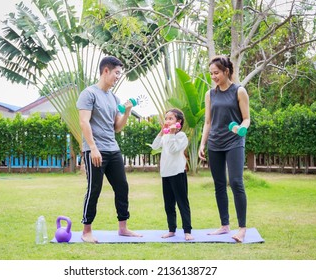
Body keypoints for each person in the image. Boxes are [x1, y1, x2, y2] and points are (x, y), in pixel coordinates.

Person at [76, 56, 142, 243]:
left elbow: (117, 127)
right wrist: (93, 148)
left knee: (122, 187)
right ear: (106, 71)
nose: (118, 77)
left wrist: (127, 112)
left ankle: (123, 228)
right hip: (94, 151)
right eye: (116, 73)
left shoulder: (114, 98)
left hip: (113, 149)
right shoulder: (88, 94)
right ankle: (86, 231)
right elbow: (84, 122)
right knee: (94, 189)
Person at [198, 55, 250, 243]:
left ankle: (242, 228)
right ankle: (224, 225)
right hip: (215, 143)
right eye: (211, 73)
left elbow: (246, 117)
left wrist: (242, 128)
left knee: (236, 182)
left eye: (217, 73)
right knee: (219, 184)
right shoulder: (210, 94)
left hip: (234, 141)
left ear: (226, 71)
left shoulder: (239, 91)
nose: (213, 76)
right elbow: (208, 122)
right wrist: (202, 144)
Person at [151, 108, 194, 241]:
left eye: (171, 119)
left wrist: (171, 133)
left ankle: (187, 231)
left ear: (178, 122)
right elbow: (154, 146)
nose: (167, 121)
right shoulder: (165, 135)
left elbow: (173, 149)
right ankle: (171, 229)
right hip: (166, 173)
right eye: (166, 118)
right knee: (169, 204)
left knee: (182, 202)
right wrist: (162, 132)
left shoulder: (181, 136)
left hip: (178, 173)